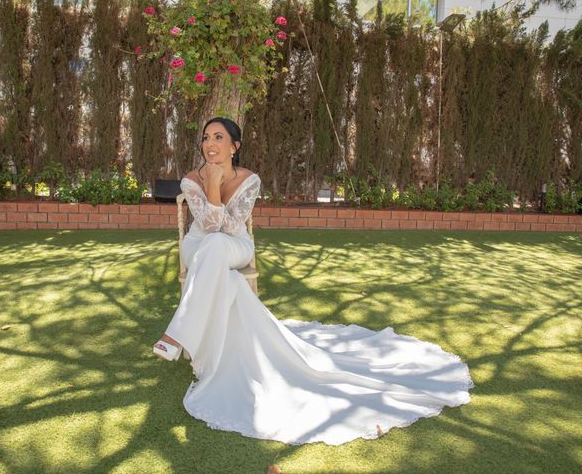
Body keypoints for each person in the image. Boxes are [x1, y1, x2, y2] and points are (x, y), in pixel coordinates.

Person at [152, 117, 474, 445]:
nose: (210, 143)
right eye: (206, 137)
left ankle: (177, 335)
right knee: (215, 254)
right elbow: (207, 225)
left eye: (218, 137)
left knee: (220, 246)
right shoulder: (192, 180)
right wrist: (211, 184)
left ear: (234, 146)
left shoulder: (250, 180)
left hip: (234, 245)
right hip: (199, 246)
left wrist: (219, 185)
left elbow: (232, 228)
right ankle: (186, 339)